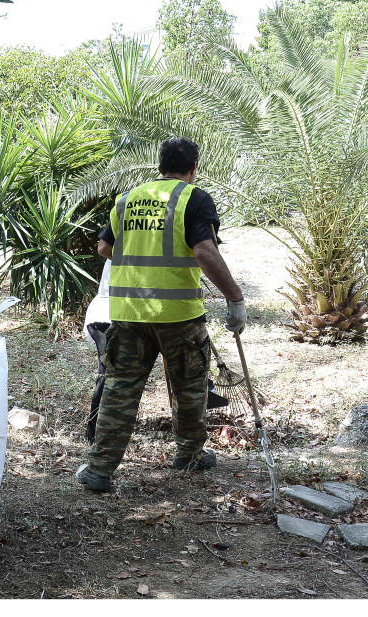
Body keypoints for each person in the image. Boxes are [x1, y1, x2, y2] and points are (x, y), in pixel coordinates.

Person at [76, 137, 246, 492]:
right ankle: (189, 455)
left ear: (159, 167)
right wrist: (235, 298)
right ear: (193, 169)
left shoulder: (127, 200)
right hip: (179, 317)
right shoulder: (194, 198)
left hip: (128, 314)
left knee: (119, 390)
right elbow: (205, 252)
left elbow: (105, 247)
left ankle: (100, 469)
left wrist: (140, 265)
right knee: (189, 387)